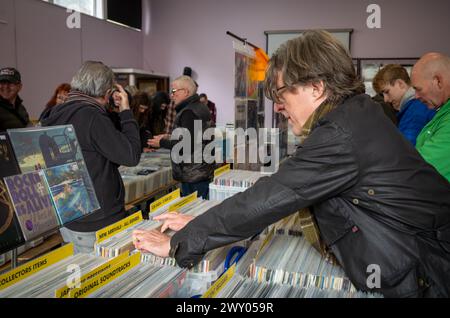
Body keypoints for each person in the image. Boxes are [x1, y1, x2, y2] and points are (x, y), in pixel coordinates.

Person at [133, 31, 450, 298]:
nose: (280, 106)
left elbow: (271, 196)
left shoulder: (342, 133)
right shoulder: (353, 116)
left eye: (283, 92)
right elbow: (280, 193)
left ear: (317, 87)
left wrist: (181, 242)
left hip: (430, 274)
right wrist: (197, 224)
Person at [40, 61, 141, 253]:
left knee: (82, 275)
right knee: (103, 277)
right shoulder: (92, 117)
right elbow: (130, 155)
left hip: (69, 213)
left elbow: (101, 151)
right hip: (97, 221)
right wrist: (126, 112)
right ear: (107, 91)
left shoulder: (56, 112)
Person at [148, 76, 214, 199]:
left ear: (185, 92)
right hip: (201, 171)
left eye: (174, 91)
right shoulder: (200, 107)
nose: (171, 95)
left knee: (193, 213)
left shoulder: (189, 112)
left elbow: (186, 145)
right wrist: (170, 136)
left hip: (193, 174)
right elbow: (195, 137)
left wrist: (162, 143)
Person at [373, 64, 435, 145]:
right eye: (382, 95)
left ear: (400, 84)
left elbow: (407, 150)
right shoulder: (413, 108)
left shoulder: (416, 111)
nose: (385, 100)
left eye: (387, 92)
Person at [412, 53, 450, 182]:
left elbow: (423, 169)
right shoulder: (443, 110)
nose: (416, 96)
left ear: (438, 81)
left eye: (418, 89)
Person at [0, 67, 30, 131]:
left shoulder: (21, 107)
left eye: (10, 83)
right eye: (2, 83)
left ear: (19, 86)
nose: (6, 87)